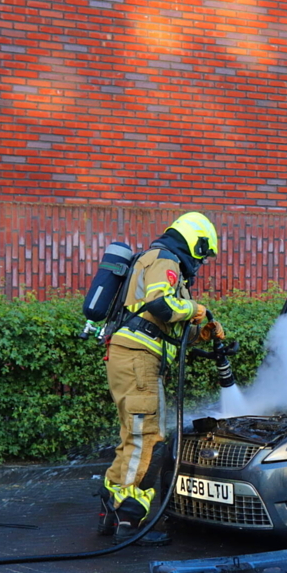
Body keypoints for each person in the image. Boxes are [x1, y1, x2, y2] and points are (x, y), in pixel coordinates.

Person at [98, 211, 225, 546]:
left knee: (132, 436)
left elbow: (164, 326)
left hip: (134, 356)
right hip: (138, 359)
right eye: (203, 252)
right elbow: (159, 305)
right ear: (194, 242)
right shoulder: (163, 259)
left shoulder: (160, 262)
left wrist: (202, 333)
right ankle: (129, 519)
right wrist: (194, 309)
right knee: (147, 439)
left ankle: (111, 510)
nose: (201, 260)